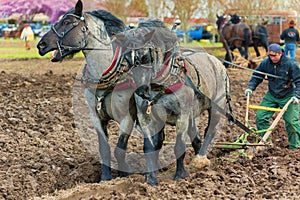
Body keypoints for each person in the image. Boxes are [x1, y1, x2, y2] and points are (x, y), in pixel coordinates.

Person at [245, 43, 300, 149]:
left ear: (280, 53)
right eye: (270, 55)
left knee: (291, 121)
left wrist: (297, 96)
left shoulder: (290, 64)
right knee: (260, 117)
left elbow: (299, 80)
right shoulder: (266, 63)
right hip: (272, 94)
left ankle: (295, 146)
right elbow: (257, 75)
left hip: (288, 95)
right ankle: (265, 142)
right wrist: (250, 88)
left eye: (274, 55)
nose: (272, 58)